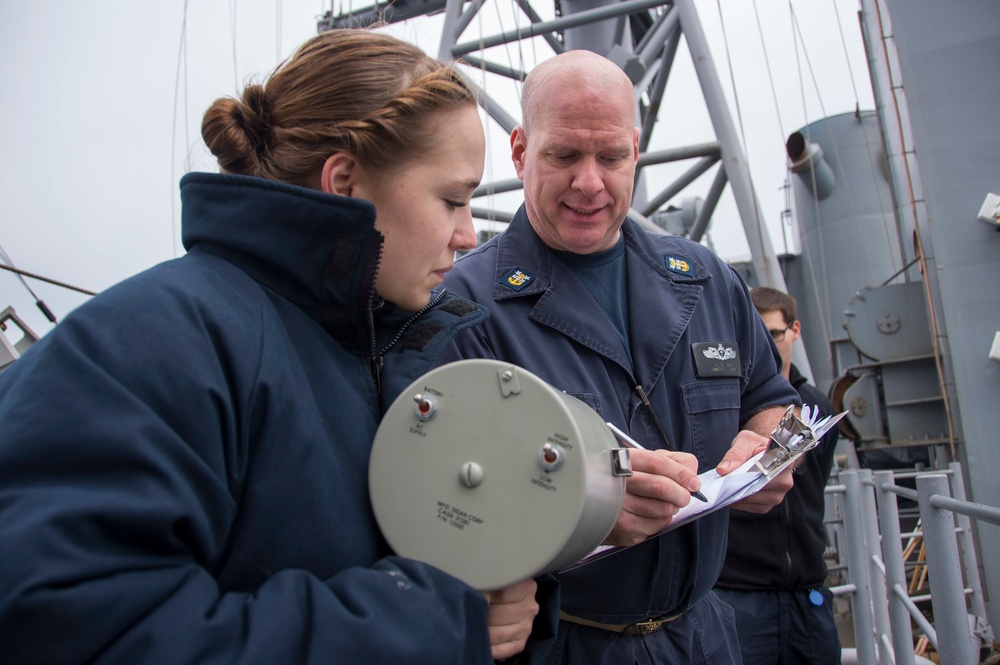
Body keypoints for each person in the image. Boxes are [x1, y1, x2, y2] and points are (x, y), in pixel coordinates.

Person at [0, 28, 542, 664]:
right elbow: (71, 630)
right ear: (345, 184)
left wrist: (520, 570)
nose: (467, 234)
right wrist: (423, 620)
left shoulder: (392, 346)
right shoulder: (152, 342)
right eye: (452, 199)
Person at [434, 49, 802, 664]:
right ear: (521, 152)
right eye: (564, 156)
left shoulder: (707, 278)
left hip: (705, 635)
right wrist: (580, 514)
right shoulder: (463, 305)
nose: (590, 182)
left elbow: (775, 402)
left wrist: (773, 449)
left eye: (611, 157)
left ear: (635, 149)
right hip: (564, 644)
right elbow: (444, 502)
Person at [714, 286, 843, 664]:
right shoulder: (726, 408)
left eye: (774, 334)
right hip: (738, 591)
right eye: (758, 333)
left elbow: (815, 484)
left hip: (807, 588)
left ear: (795, 331)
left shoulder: (818, 405)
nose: (767, 344)